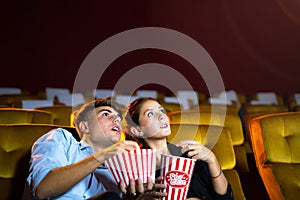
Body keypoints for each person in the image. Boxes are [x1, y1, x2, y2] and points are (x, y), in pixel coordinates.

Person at [25, 97, 165, 200]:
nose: (116, 120)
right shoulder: (61, 138)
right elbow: (42, 189)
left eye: (117, 118)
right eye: (105, 114)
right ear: (84, 126)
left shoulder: (122, 165)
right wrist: (102, 156)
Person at [124, 97, 234, 200]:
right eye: (150, 114)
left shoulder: (190, 154)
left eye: (162, 111)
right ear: (137, 131)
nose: (162, 116)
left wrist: (212, 160)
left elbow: (226, 198)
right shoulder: (132, 167)